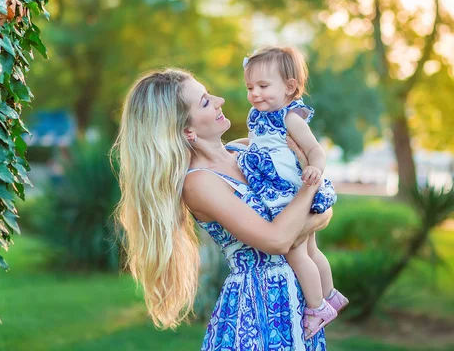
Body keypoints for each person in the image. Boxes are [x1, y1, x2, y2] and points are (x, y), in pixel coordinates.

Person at [113, 68, 333, 350]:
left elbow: (324, 210)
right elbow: (277, 240)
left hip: (299, 306)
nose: (219, 101)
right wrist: (310, 186)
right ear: (186, 130)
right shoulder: (199, 182)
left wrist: (303, 215)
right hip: (257, 314)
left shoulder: (245, 151)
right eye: (205, 101)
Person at [239, 46, 348, 339]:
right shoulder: (256, 116)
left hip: (291, 193)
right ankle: (330, 294)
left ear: (289, 87)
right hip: (280, 190)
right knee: (311, 250)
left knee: (297, 253)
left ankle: (317, 308)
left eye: (263, 86)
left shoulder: (290, 118)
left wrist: (315, 168)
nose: (255, 93)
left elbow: (315, 149)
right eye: (250, 87)